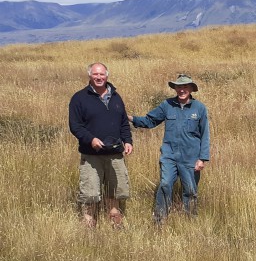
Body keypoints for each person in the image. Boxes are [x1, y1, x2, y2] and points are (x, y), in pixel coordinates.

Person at [128, 73, 209, 224]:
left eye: (185, 86)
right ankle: (159, 220)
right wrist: (130, 118)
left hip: (191, 157)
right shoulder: (167, 105)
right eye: (179, 87)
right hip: (169, 155)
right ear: (175, 88)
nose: (182, 90)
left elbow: (205, 135)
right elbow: (150, 120)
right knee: (165, 184)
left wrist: (202, 158)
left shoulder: (199, 108)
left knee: (190, 190)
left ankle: (189, 222)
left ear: (191, 89)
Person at [69, 62, 133, 228]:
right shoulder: (79, 98)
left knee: (116, 188)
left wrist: (128, 141)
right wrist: (91, 139)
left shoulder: (116, 97)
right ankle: (89, 219)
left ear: (107, 75)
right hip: (92, 155)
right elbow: (75, 126)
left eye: (102, 74)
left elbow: (124, 122)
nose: (99, 77)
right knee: (90, 190)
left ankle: (114, 216)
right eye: (95, 74)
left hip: (115, 152)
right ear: (89, 76)